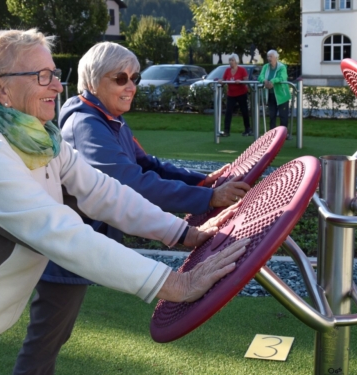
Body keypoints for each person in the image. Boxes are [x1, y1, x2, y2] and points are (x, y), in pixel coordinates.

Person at [0, 29, 247, 375]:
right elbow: (64, 235)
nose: (57, 84)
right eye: (41, 75)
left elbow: (103, 192)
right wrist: (175, 285)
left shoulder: (39, 137)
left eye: (54, 72)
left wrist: (184, 233)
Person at [14, 41, 252, 375]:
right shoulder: (87, 123)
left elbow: (147, 164)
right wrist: (207, 199)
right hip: (64, 247)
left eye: (136, 78)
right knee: (46, 337)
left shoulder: (107, 118)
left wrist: (205, 183)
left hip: (82, 242)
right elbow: (129, 182)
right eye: (120, 78)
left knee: (52, 334)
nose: (131, 86)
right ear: (94, 81)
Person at [258, 50, 291, 140]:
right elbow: (260, 76)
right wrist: (264, 81)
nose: (269, 59)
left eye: (271, 57)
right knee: (272, 115)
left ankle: (284, 134)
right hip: (271, 95)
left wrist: (272, 81)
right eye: (268, 57)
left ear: (276, 57)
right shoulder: (265, 67)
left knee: (283, 116)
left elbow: (282, 77)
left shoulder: (282, 67)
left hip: (282, 96)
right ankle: (272, 135)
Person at [221, 53, 251, 137]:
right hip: (231, 94)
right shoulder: (227, 70)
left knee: (244, 111)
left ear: (236, 61)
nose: (231, 62)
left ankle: (247, 129)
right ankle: (226, 131)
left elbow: (246, 81)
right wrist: (221, 81)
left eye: (232, 60)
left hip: (241, 93)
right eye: (230, 60)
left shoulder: (242, 70)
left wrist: (240, 81)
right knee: (228, 112)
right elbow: (223, 80)